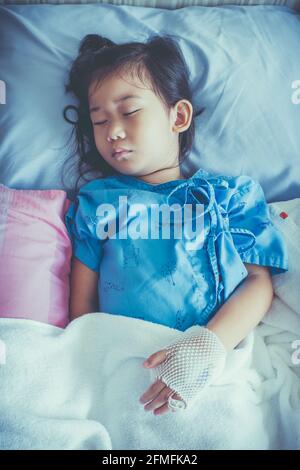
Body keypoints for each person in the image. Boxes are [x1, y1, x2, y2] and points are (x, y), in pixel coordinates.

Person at [63, 33, 288, 416]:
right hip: (126, 363)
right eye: (98, 120)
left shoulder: (227, 196)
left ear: (178, 116)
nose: (112, 131)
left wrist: (206, 347)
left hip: (213, 355)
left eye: (129, 112)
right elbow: (82, 312)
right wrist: (91, 369)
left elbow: (258, 283)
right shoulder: (97, 204)